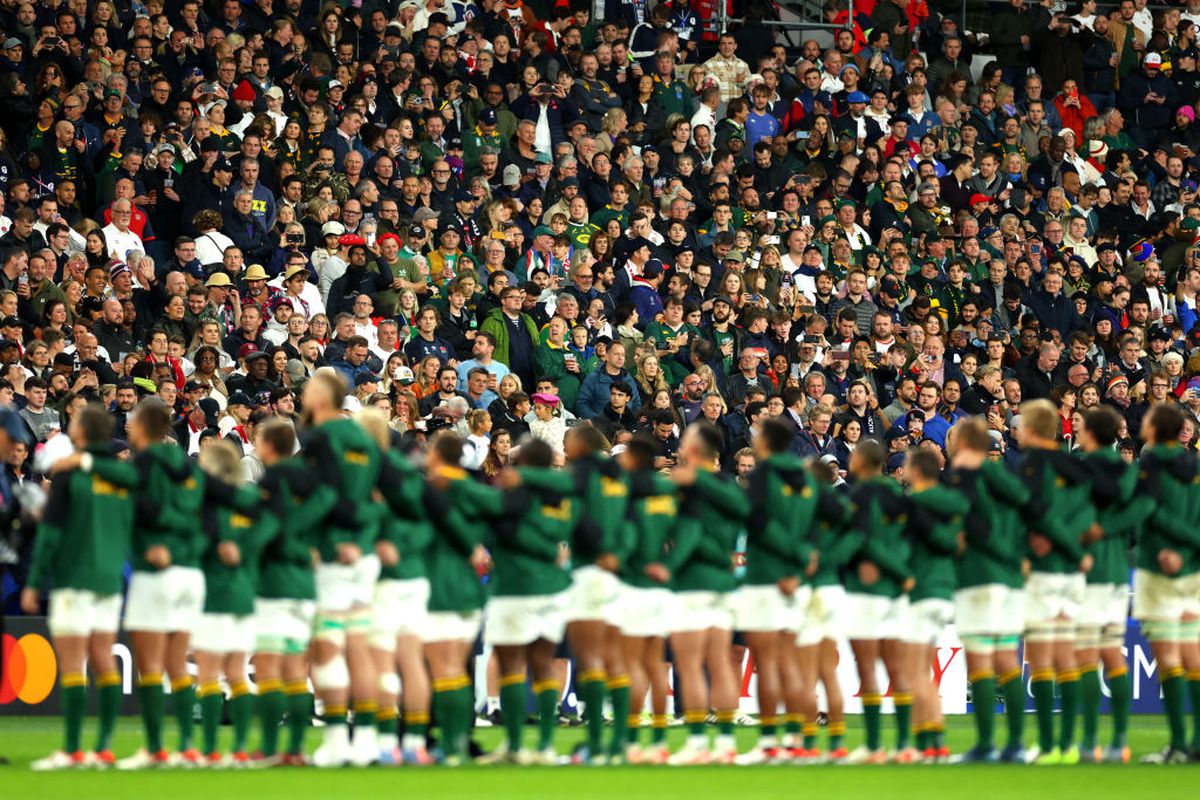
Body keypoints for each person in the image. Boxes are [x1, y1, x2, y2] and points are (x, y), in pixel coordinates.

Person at [25, 405, 135, 770]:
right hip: (109, 580)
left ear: (82, 434)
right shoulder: (121, 476)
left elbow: (51, 533)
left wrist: (34, 580)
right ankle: (103, 747)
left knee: (73, 664)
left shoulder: (69, 475)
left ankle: (72, 750)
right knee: (103, 659)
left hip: (73, 577)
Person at [301, 370, 383, 768]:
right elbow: (372, 497)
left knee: (329, 645)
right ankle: (365, 738)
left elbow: (325, 495)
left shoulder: (320, 437)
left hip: (333, 554)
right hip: (363, 553)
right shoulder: (363, 440)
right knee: (359, 647)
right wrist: (362, 538)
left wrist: (298, 534)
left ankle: (335, 740)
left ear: (320, 396)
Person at [479, 438, 574, 765]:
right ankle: (546, 745)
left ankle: (515, 745)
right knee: (543, 662)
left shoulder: (512, 495)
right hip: (552, 587)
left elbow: (497, 532)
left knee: (512, 665)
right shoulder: (561, 497)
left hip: (514, 586)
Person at [944, 419, 1034, 763]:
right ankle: (1015, 744)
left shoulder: (965, 478)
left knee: (982, 659)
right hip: (1010, 578)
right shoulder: (1006, 477)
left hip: (979, 575)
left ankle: (985, 744)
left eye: (952, 440)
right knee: (1006, 658)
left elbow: (971, 523)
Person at [1016, 398, 1097, 765]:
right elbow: (1088, 511)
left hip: (1044, 568)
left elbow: (1034, 515)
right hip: (1072, 570)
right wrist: (1076, 545)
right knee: (1068, 653)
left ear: (1031, 430)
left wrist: (1049, 540)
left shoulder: (1030, 467)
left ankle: (1049, 745)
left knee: (1042, 655)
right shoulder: (1075, 465)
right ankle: (1072, 743)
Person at [665, 422, 748, 765]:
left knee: (690, 664)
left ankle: (699, 744)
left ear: (696, 448)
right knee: (719, 661)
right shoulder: (728, 487)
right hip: (724, 583)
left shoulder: (686, 487)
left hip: (693, 581)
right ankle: (726, 743)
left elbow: (687, 533)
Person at [252, 419, 332, 765]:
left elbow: (269, 530)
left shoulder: (272, 480)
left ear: (268, 445)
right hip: (306, 585)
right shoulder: (316, 485)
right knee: (298, 668)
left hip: (276, 582)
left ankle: (270, 747)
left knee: (270, 666)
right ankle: (297, 748)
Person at [1076, 406, 1151, 764]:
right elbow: (1141, 514)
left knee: (1088, 657)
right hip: (1118, 571)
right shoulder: (1127, 473)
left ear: (1090, 433)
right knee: (1112, 652)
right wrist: (1113, 530)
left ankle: (1090, 740)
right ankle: (1119, 739)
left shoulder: (1078, 470)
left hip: (1085, 574)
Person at [192, 439, 271, 766]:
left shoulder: (204, 505)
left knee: (210, 674)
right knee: (238, 672)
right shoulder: (252, 500)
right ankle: (239, 747)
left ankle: (210, 749)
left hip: (212, 593)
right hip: (245, 595)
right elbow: (269, 532)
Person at [1132, 402, 1199, 764]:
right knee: (1194, 657)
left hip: (1159, 568)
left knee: (1169, 656)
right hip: (1194, 571)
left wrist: (1175, 550)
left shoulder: (1154, 463)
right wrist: (1190, 553)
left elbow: (1149, 510)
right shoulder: (1197, 467)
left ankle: (1177, 744)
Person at [841, 439, 914, 764]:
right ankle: (904, 743)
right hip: (896, 591)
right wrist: (902, 574)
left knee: (868, 667)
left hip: (866, 590)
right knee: (897, 667)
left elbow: (862, 540)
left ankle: (873, 745)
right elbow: (908, 538)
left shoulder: (858, 496)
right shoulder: (899, 496)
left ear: (860, 462)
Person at [901, 447, 968, 762]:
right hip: (945, 589)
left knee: (914, 671)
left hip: (923, 589)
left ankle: (932, 740)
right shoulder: (955, 502)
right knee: (921, 668)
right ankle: (928, 741)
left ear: (915, 472)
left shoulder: (914, 505)